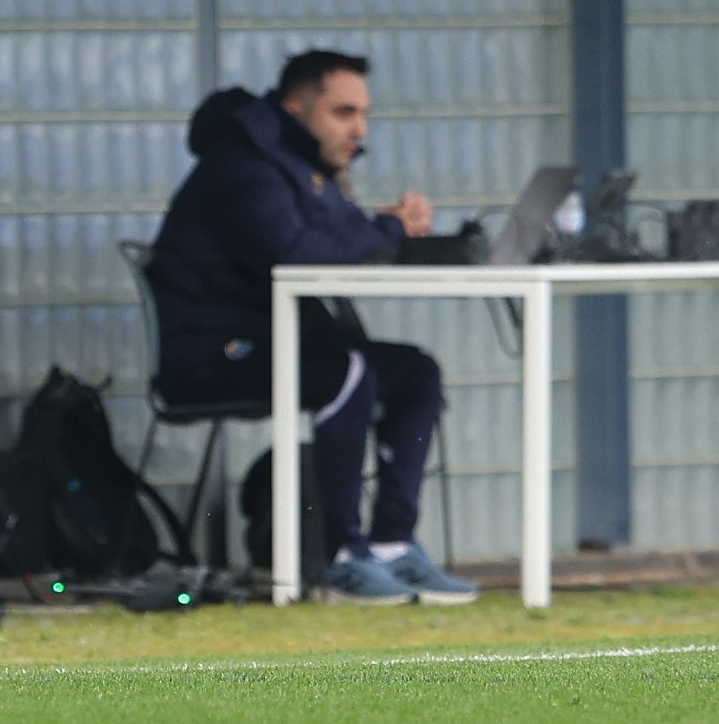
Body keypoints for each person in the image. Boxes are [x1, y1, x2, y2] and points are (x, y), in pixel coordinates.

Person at [146, 49, 478, 605]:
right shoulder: (247, 167)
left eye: (364, 115)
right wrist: (387, 228)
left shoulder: (303, 169)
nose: (360, 130)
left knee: (415, 372)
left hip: (279, 343)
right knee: (345, 371)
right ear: (296, 107)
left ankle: (393, 543)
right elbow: (296, 255)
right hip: (210, 356)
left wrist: (391, 230)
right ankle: (341, 556)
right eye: (344, 113)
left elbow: (347, 240)